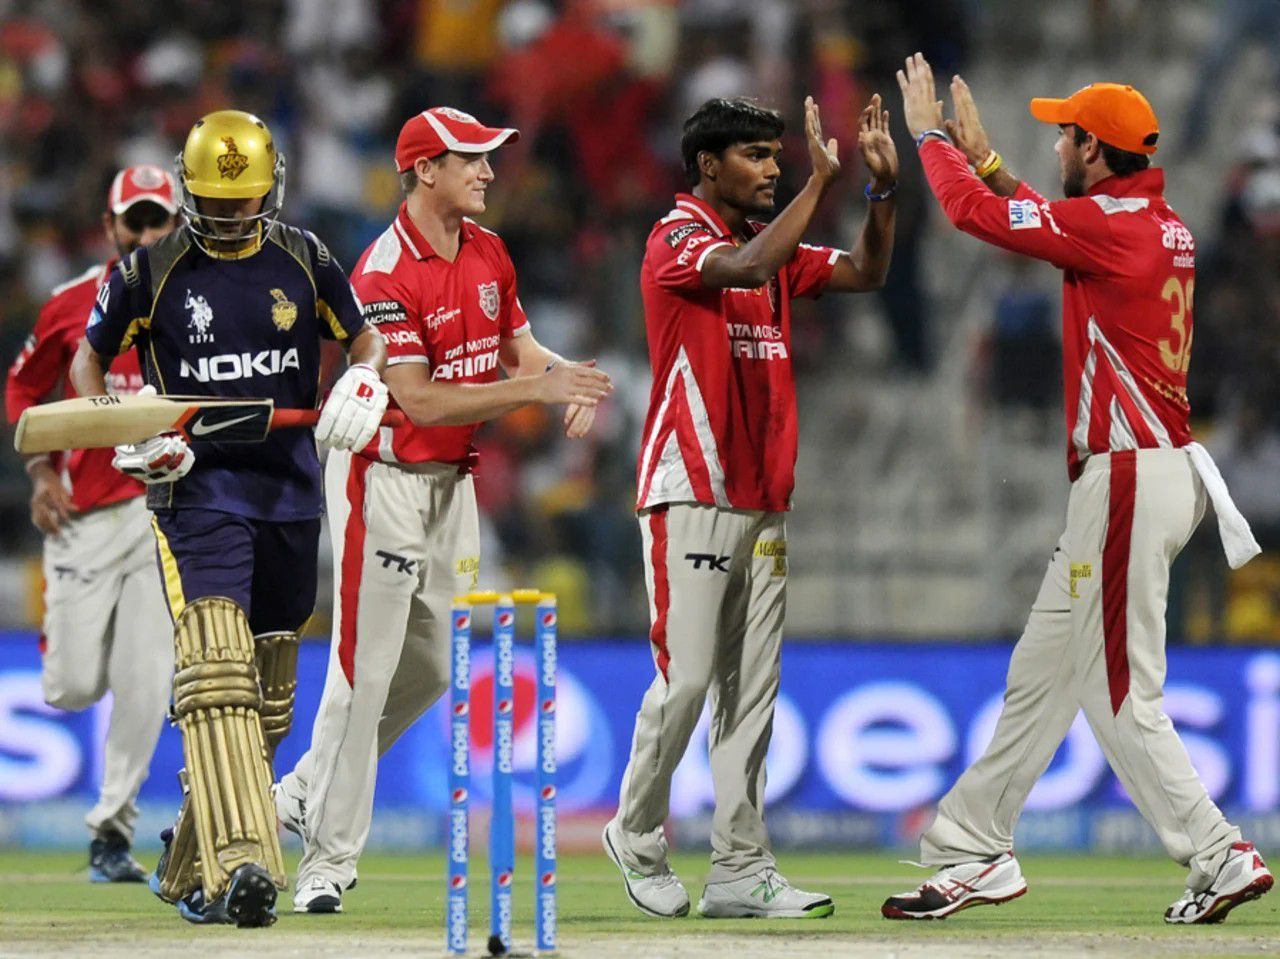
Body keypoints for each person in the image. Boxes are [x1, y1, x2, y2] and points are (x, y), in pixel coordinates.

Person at [886, 52, 1272, 924]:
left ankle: (1218, 851)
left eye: (1066, 133)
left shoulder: (1112, 228)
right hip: (1148, 472)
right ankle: (973, 846)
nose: (1056, 141)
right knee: (1040, 677)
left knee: (1118, 691)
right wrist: (988, 160)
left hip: (1130, 475)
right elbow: (1046, 219)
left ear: (1093, 150)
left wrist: (932, 141)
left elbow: (977, 216)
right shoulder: (1152, 222)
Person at [273, 106, 612, 914]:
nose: (490, 172)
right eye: (473, 159)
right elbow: (420, 400)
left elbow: (521, 348)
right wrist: (537, 388)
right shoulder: (383, 271)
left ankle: (306, 787)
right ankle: (327, 859)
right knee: (364, 671)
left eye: (490, 159)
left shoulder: (489, 249)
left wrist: (569, 377)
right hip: (380, 474)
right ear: (426, 170)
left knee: (429, 668)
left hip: (450, 486)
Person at [70, 109, 389, 928]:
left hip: (289, 490)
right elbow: (90, 360)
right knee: (215, 671)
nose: (232, 216)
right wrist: (126, 428)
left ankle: (187, 871)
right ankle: (245, 860)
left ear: (270, 189)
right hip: (194, 489)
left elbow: (364, 340)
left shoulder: (306, 255)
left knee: (270, 698)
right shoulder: (149, 271)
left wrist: (362, 381)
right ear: (189, 193)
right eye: (215, 203)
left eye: (244, 201)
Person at [603, 94, 898, 920]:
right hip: (691, 484)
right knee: (690, 676)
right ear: (709, 164)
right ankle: (635, 829)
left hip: (765, 495)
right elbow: (744, 270)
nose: (773, 169)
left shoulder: (772, 247)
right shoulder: (678, 237)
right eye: (759, 156)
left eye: (779, 156)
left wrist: (879, 195)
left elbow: (867, 272)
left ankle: (739, 866)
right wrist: (819, 185)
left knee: (751, 693)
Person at [5, 166, 179, 883]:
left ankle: (111, 834)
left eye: (157, 222)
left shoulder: (202, 304)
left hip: (164, 515)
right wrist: (42, 470)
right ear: (110, 227)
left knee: (146, 681)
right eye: (132, 223)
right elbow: (22, 385)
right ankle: (90, 642)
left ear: (176, 226)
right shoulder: (72, 303)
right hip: (85, 512)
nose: (144, 235)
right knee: (72, 687)